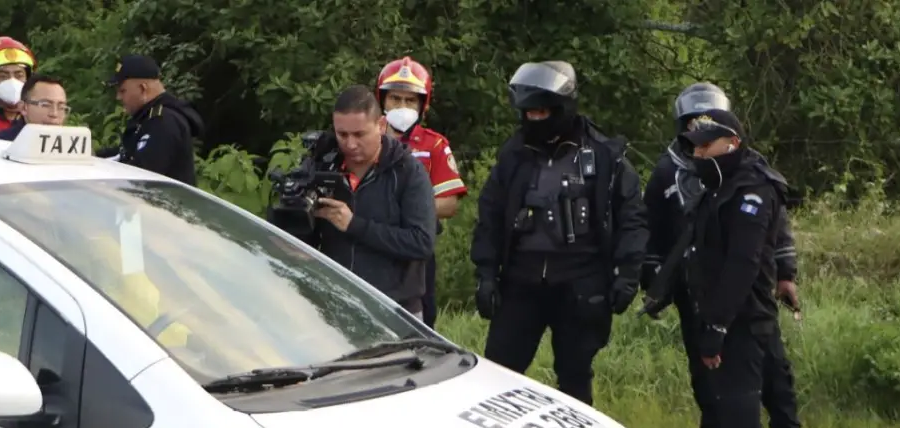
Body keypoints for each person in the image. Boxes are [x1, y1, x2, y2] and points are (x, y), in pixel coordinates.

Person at [641, 82, 805, 428]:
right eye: (693, 127)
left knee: (773, 370)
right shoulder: (666, 171)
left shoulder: (752, 171)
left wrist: (786, 274)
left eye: (709, 128)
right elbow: (652, 228)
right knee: (706, 371)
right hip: (692, 287)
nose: (700, 135)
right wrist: (652, 277)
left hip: (749, 288)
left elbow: (776, 228)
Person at [470, 61, 648, 407]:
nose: (534, 118)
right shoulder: (514, 154)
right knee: (498, 372)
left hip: (581, 284)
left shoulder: (604, 155)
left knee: (575, 375)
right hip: (520, 283)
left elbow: (632, 218)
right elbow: (490, 215)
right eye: (528, 112)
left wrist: (628, 274)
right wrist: (486, 275)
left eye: (541, 111)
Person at [675, 108, 798, 428]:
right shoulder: (720, 185)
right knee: (735, 416)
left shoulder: (752, 189)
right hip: (728, 317)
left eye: (707, 145)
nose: (699, 153)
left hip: (744, 321)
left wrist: (717, 328)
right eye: (695, 146)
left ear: (732, 143)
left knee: (743, 423)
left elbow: (743, 266)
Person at [267, 85, 437, 318]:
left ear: (381, 126)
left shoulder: (408, 172)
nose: (350, 144)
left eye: (359, 134)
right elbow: (304, 235)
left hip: (394, 310)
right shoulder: (322, 164)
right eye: (342, 134)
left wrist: (354, 225)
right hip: (334, 304)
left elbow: (421, 242)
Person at [376, 57, 468, 329]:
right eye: (395, 99)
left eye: (410, 100)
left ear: (422, 104)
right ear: (382, 100)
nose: (402, 107)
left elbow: (449, 203)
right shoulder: (365, 139)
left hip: (415, 251)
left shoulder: (434, 144)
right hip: (370, 245)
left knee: (421, 325)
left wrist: (402, 210)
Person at [98, 55, 205, 185]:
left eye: (122, 90)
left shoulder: (164, 123)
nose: (118, 97)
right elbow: (124, 153)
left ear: (143, 89)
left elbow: (141, 178)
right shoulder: (147, 118)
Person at [0, 75, 70, 141]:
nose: (54, 114)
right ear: (23, 108)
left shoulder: (74, 147)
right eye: (45, 105)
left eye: (61, 107)